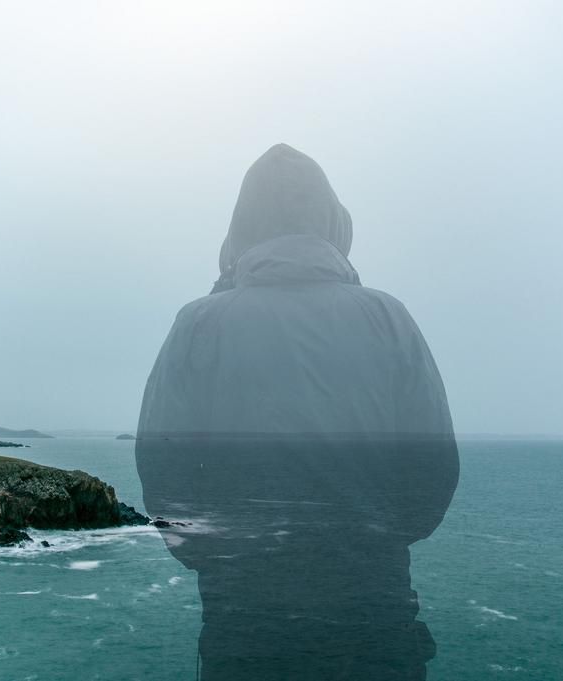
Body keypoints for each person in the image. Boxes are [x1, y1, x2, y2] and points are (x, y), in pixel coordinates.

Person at [136, 143, 459, 680]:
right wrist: (375, 544)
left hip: (244, 615)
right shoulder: (387, 317)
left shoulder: (199, 323)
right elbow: (435, 468)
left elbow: (161, 467)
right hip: (373, 608)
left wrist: (216, 559)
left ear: (239, 228)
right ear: (334, 224)